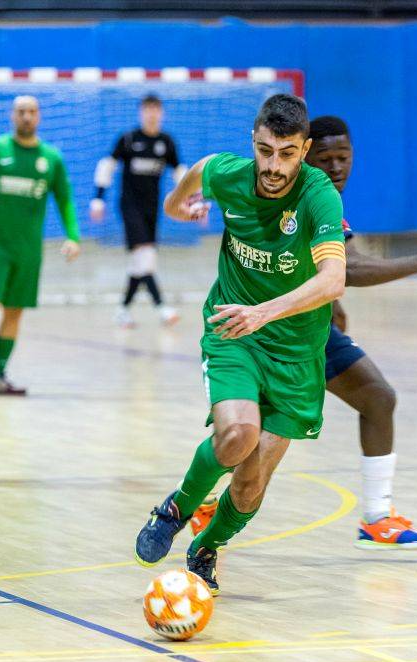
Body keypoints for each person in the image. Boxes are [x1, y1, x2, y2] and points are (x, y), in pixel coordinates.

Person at [190, 116, 417, 549]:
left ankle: (376, 517)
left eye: (344, 157)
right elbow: (350, 268)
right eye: (326, 158)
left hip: (307, 330)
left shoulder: (325, 200)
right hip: (263, 332)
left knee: (378, 397)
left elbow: (328, 268)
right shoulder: (301, 194)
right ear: (305, 157)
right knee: (249, 435)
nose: (335, 167)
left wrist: (332, 301)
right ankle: (203, 502)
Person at [133, 94, 346, 595]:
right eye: (266, 151)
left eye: (288, 153)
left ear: (305, 149)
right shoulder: (229, 174)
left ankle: (207, 544)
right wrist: (173, 205)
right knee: (238, 436)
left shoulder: (319, 197)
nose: (274, 166)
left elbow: (333, 279)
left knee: (250, 486)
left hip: (295, 353)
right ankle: (177, 507)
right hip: (234, 331)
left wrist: (266, 312)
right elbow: (201, 169)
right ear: (254, 141)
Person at [0, 95, 81, 396]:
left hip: (28, 250)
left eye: (32, 112)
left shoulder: (51, 158)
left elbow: (65, 199)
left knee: (14, 312)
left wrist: (73, 236)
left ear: (39, 117)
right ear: (12, 116)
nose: (27, 117)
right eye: (21, 112)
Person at [90, 94, 184, 328]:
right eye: (147, 109)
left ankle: (122, 310)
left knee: (138, 264)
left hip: (153, 208)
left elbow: (180, 173)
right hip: (130, 207)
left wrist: (191, 199)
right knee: (146, 258)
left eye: (156, 109)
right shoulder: (129, 139)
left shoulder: (167, 142)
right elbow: (107, 166)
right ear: (141, 112)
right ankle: (162, 308)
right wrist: (98, 199)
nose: (152, 114)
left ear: (161, 113)